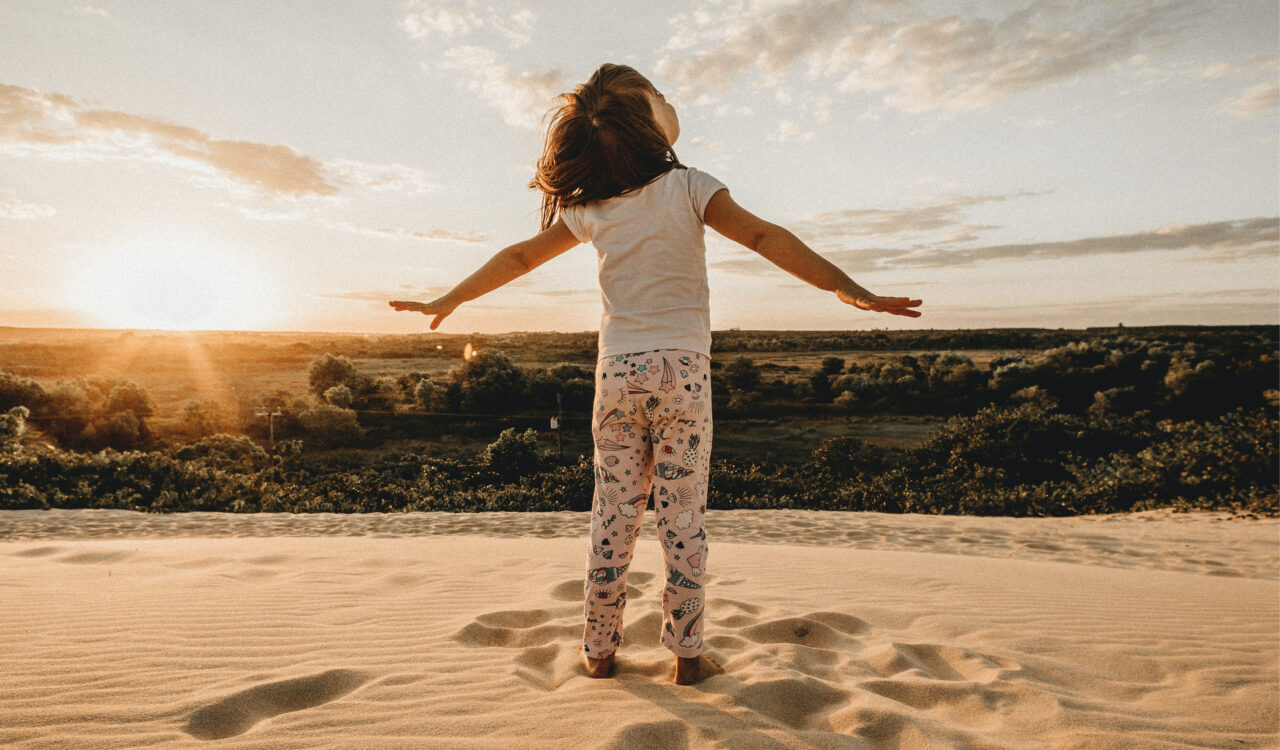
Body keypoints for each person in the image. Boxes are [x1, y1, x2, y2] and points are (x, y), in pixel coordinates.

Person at [391, 63, 922, 685]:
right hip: (683, 374)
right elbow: (762, 234)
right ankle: (689, 658)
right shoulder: (692, 186)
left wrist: (451, 298)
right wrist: (846, 289)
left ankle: (598, 652)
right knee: (683, 517)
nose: (672, 102)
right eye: (661, 96)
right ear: (648, 123)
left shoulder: (589, 207)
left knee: (612, 515)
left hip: (617, 373)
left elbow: (518, 255)